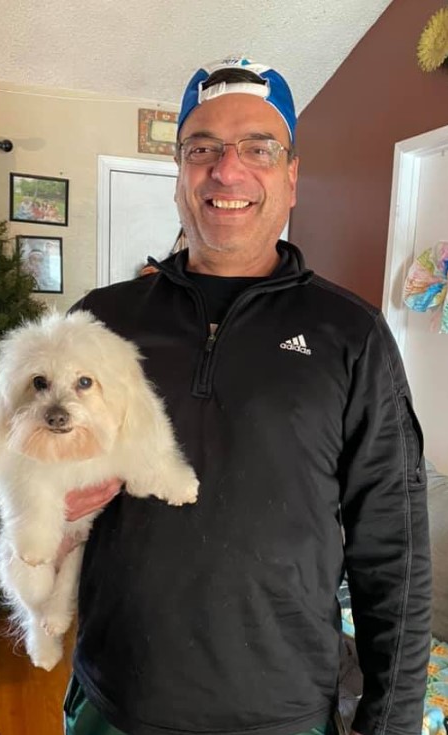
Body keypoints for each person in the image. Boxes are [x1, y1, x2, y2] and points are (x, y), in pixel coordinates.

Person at [63, 57, 431, 735]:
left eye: (257, 148)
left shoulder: (352, 336)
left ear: (291, 176)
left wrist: (392, 722)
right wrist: (48, 509)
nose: (226, 170)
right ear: (178, 173)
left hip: (281, 714)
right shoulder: (99, 321)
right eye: (201, 147)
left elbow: (394, 555)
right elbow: (25, 469)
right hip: (116, 704)